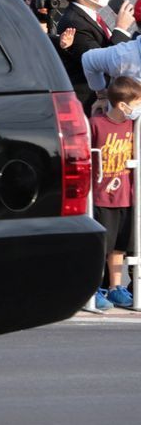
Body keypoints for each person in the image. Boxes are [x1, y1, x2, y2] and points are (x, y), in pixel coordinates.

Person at [85, 76, 139, 313]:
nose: (137, 109)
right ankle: (93, 289)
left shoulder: (133, 126)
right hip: (102, 195)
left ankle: (116, 287)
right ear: (122, 104)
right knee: (101, 246)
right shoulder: (97, 124)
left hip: (126, 195)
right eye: (137, 103)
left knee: (118, 246)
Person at [51, 0, 134, 93]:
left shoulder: (90, 16)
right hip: (90, 98)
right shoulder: (74, 22)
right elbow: (101, 63)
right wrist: (121, 28)